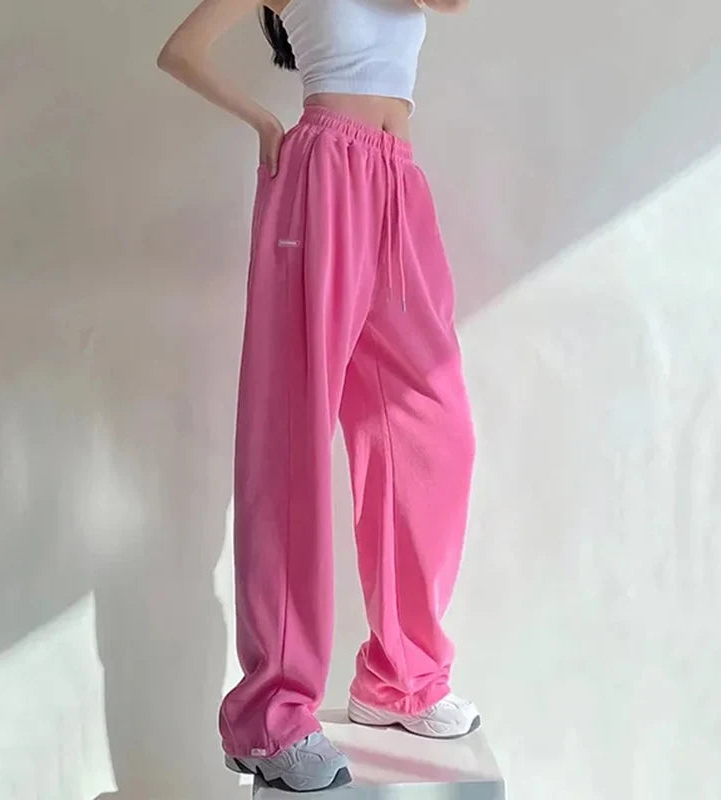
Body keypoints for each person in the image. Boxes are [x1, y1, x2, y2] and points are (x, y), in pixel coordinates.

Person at [157, 0, 479, 791]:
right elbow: (181, 50)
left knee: (432, 429)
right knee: (293, 435)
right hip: (321, 174)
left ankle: (400, 677)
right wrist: (265, 124)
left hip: (398, 181)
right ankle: (269, 718)